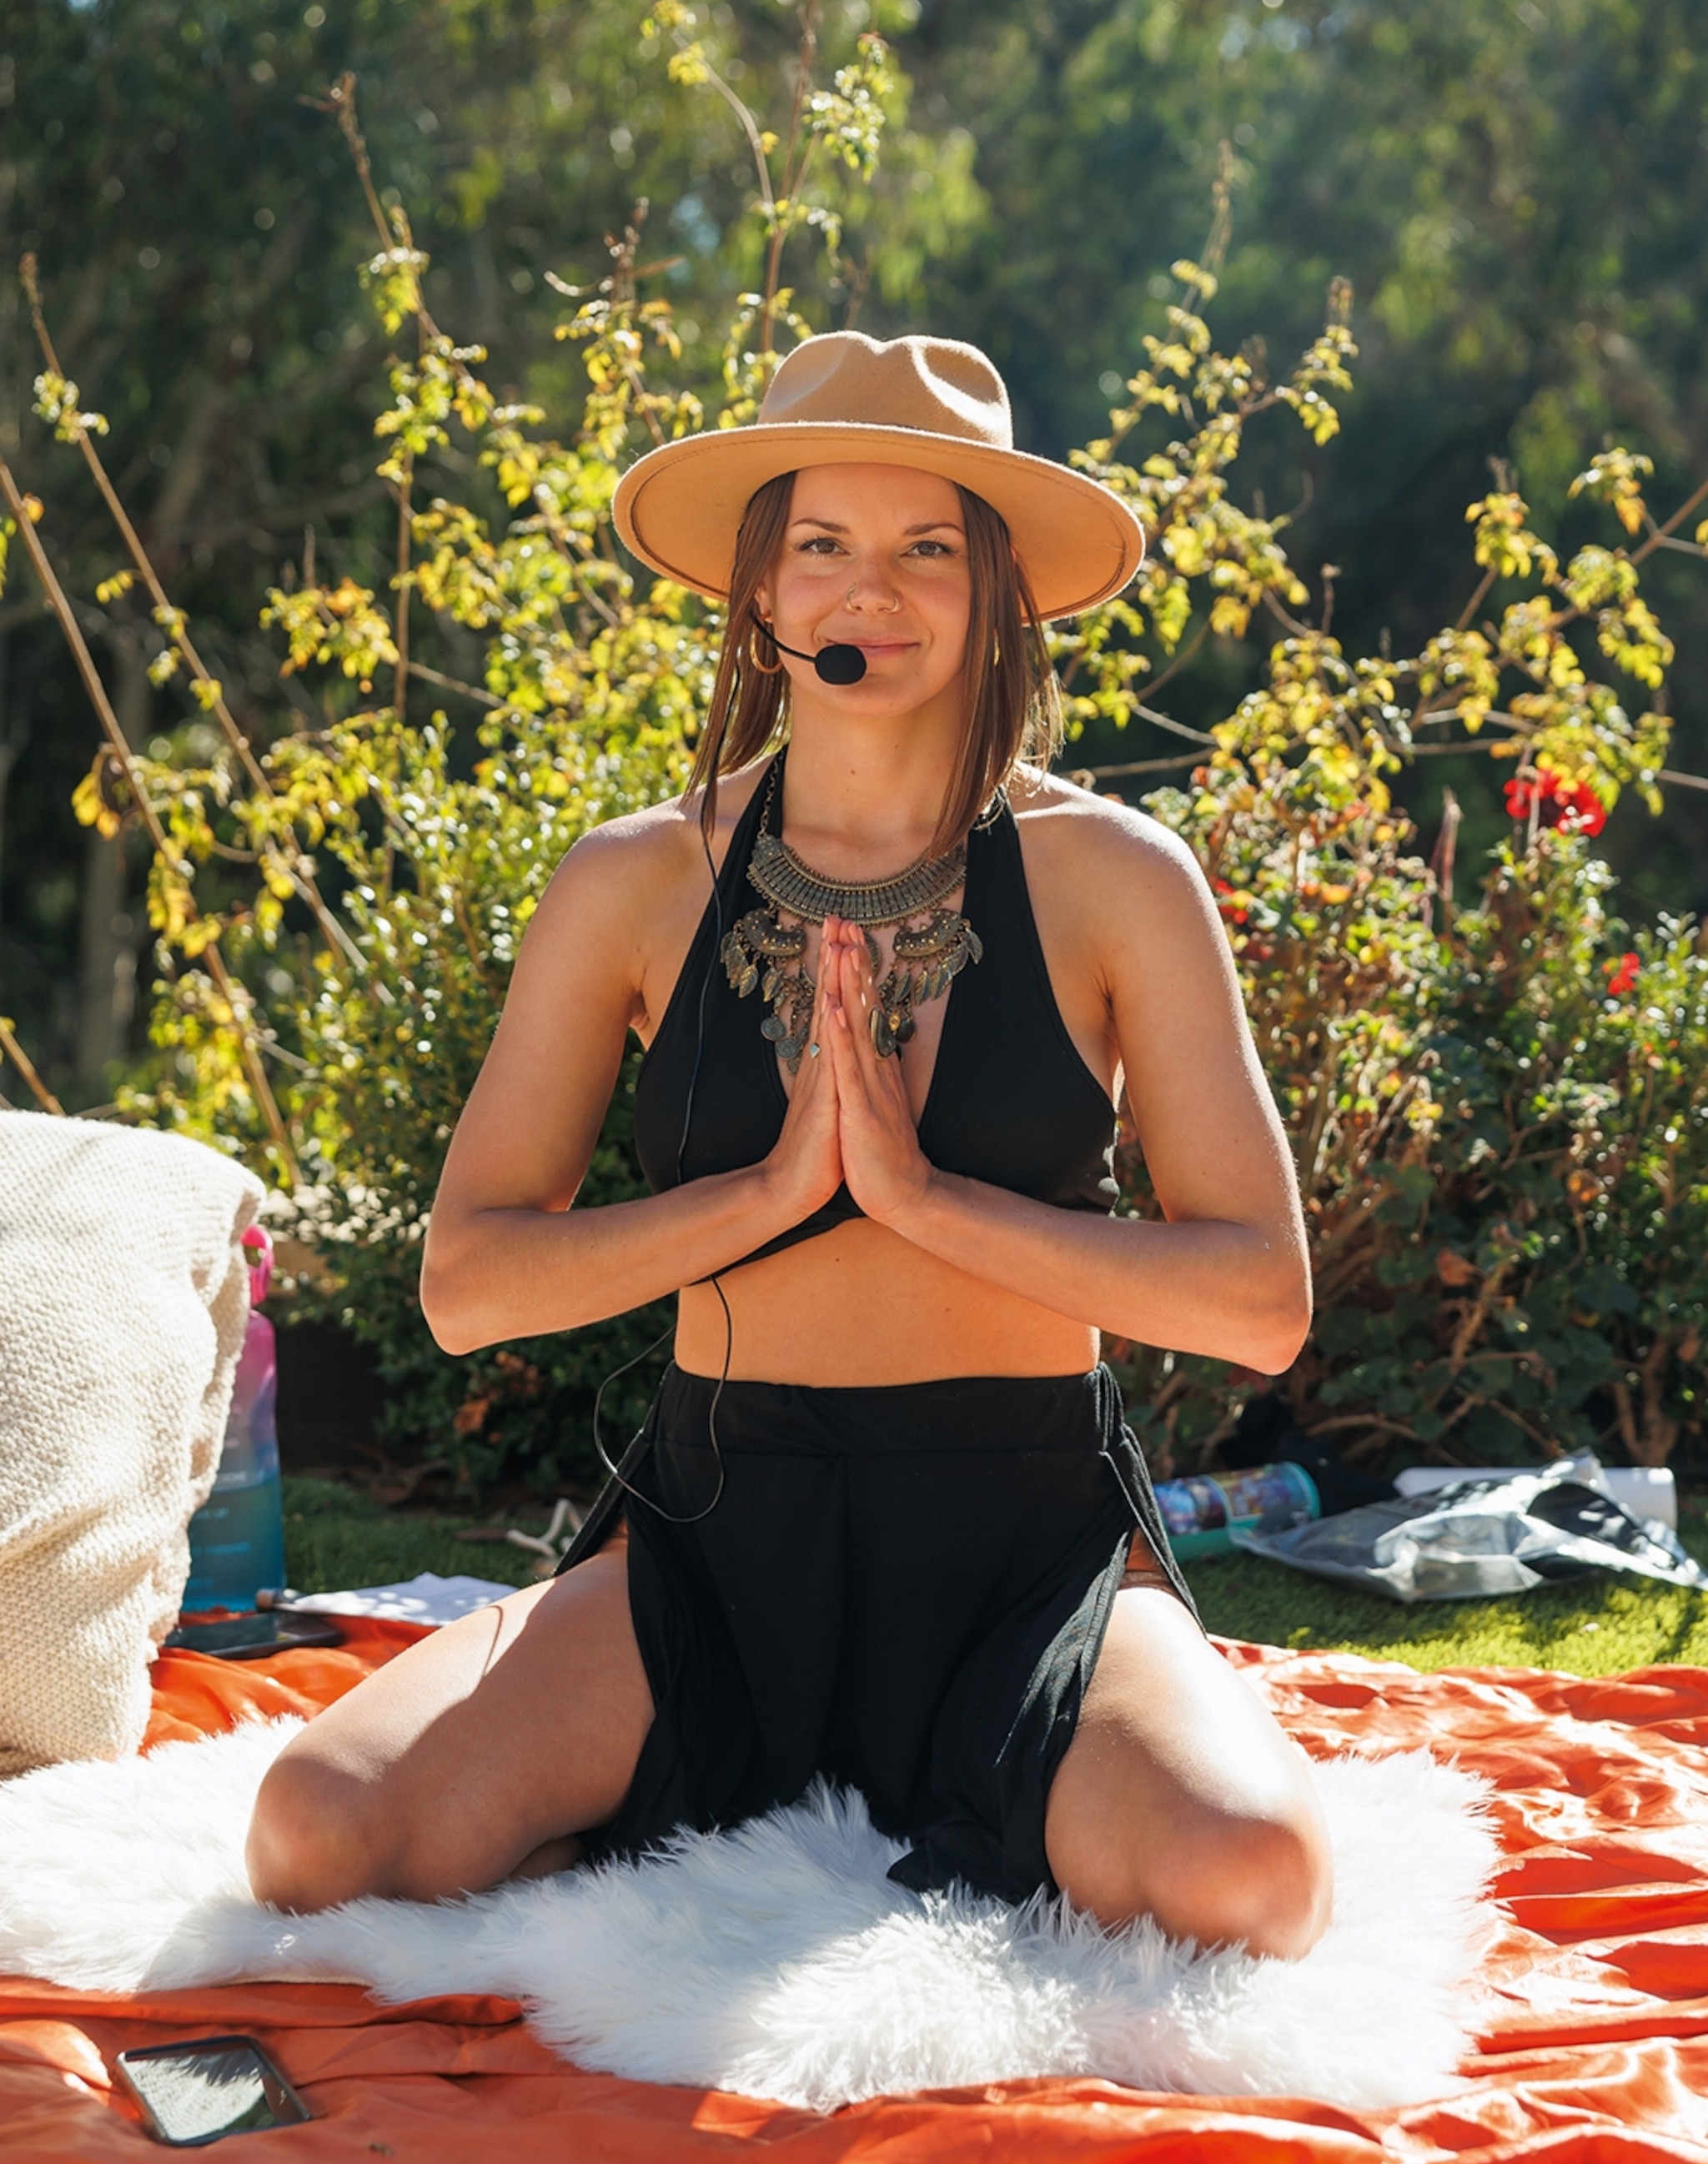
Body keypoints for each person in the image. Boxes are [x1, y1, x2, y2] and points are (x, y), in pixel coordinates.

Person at [247, 330, 1329, 1957]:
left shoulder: (1118, 878)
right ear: (759, 590)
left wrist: (918, 1197)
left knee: (1249, 1877)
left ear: (998, 594)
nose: (864, 594)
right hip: (713, 1538)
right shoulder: (629, 884)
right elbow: (469, 1287)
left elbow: (1260, 1302)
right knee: (318, 1834)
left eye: (922, 552)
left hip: (1025, 1545)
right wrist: (766, 1197)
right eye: (820, 546)